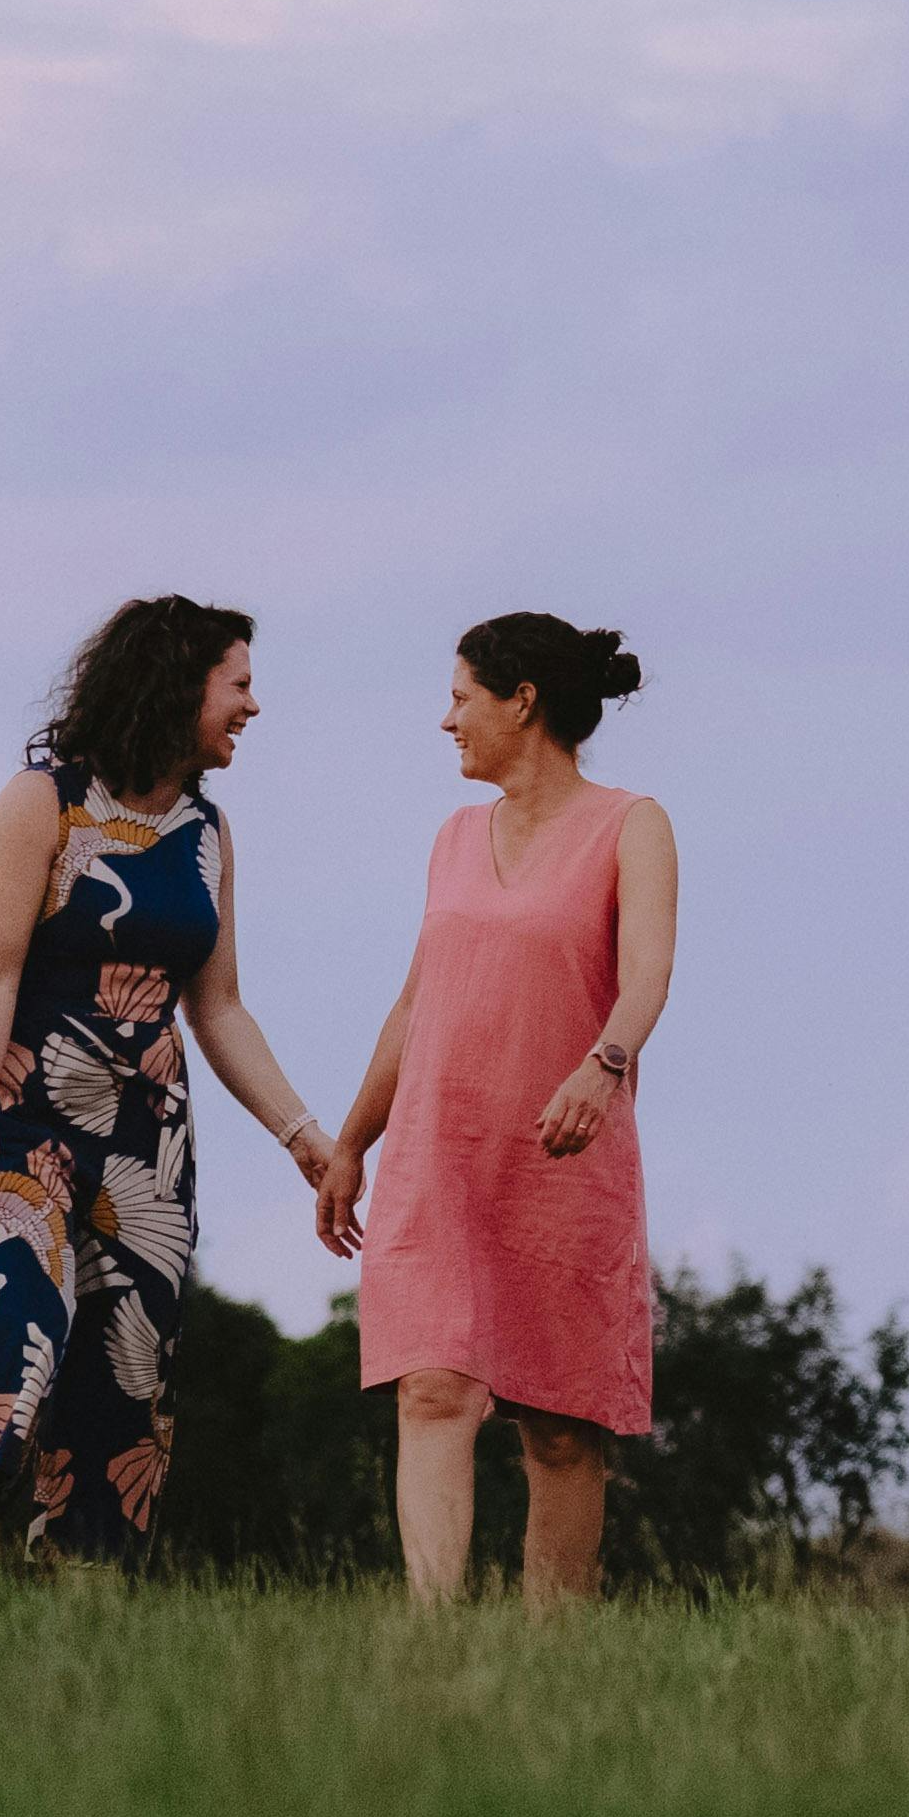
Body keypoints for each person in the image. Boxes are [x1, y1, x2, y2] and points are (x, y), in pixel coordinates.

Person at [0, 595, 343, 1576]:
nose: (252, 706)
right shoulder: (43, 801)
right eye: (238, 684)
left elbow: (220, 1008)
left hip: (147, 1136)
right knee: (9, 1322)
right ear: (176, 683)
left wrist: (303, 1133)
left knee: (128, 1359)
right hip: (26, 1116)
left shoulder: (207, 830)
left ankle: (83, 1592)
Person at [323, 615, 678, 1603]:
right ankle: (434, 1643)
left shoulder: (632, 823)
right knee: (431, 1386)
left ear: (522, 700)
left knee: (560, 1425)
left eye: (460, 697)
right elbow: (415, 1003)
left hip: (563, 1153)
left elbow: (648, 973)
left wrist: (603, 1067)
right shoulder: (452, 838)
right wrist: (351, 1141)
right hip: (439, 1151)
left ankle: (548, 1660)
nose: (447, 721)